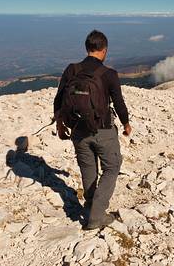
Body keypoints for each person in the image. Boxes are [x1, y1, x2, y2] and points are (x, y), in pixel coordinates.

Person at [53, 30, 132, 230]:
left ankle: (89, 206)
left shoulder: (71, 69)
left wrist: (60, 125)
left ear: (87, 48)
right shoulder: (109, 74)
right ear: (104, 50)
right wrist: (126, 124)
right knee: (112, 167)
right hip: (103, 130)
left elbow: (59, 99)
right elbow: (119, 103)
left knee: (88, 170)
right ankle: (96, 216)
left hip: (78, 130)